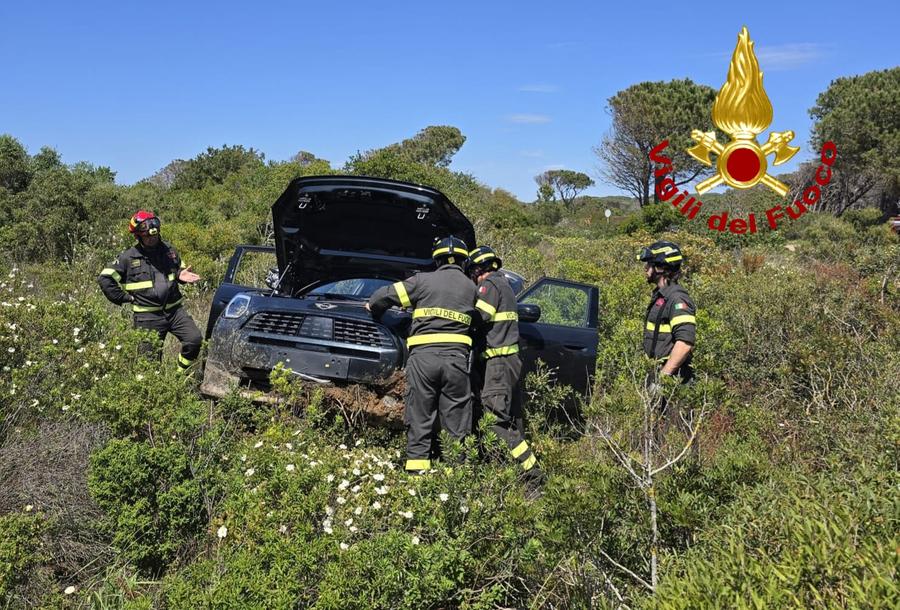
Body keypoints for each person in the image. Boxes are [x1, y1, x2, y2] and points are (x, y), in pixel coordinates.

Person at [367, 236, 477, 474]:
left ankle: (416, 476)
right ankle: (453, 478)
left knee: (420, 415)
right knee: (456, 420)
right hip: (456, 362)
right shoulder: (471, 287)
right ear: (463, 260)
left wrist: (372, 307)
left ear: (436, 260)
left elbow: (381, 297)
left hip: (423, 360)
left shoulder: (422, 281)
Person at [467, 245, 543, 487]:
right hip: (508, 362)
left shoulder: (489, 285)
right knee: (511, 421)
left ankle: (533, 476)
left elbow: (479, 318)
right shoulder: (505, 285)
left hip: (498, 364)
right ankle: (520, 472)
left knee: (495, 421)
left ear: (478, 269)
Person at [98, 210, 203, 372]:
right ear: (137, 236)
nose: (152, 238)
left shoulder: (170, 251)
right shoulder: (128, 257)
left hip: (175, 312)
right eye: (147, 236)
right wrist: (124, 298)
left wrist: (181, 275)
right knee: (149, 364)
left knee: (194, 340)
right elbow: (105, 278)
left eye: (154, 235)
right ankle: (155, 391)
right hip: (147, 318)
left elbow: (178, 269)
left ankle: (179, 377)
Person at [637, 241, 697, 436]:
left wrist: (663, 378)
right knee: (656, 435)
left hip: (675, 382)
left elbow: (685, 342)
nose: (646, 268)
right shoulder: (661, 295)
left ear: (661, 268)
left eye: (650, 264)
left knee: (677, 435)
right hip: (660, 376)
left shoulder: (678, 299)